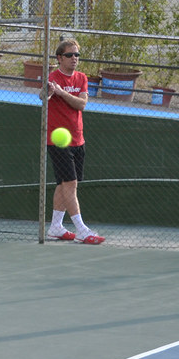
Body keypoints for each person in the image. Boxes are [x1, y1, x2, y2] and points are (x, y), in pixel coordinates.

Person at [43, 39, 105, 245]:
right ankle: (82, 230)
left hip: (78, 139)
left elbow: (82, 104)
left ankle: (55, 227)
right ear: (60, 58)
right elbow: (43, 96)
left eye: (77, 55)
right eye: (70, 55)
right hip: (59, 142)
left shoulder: (82, 78)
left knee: (64, 184)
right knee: (70, 184)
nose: (74, 58)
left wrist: (62, 93)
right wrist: (49, 92)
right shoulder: (53, 77)